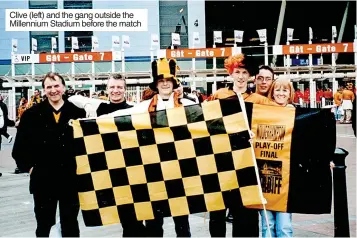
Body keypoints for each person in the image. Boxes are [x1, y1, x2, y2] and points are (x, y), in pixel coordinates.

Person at [104, 58, 196, 237]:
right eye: (161, 81)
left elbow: (211, 120)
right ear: (156, 84)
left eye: (168, 81)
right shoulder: (144, 107)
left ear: (173, 82)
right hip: (153, 173)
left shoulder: (188, 106)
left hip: (179, 172)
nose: (164, 84)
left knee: (182, 224)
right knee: (154, 224)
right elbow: (120, 115)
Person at [68, 73, 148, 237]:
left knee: (134, 219)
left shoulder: (134, 110)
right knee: (124, 217)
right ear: (107, 89)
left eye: (119, 87)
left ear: (125, 90)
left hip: (131, 171)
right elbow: (71, 100)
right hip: (108, 173)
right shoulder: (99, 108)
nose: (115, 90)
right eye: (112, 87)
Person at [207, 54, 277, 238]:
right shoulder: (219, 95)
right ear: (231, 73)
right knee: (217, 211)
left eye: (244, 72)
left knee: (245, 212)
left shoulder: (259, 100)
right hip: (221, 160)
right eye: (237, 72)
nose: (240, 76)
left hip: (246, 161)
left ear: (250, 76)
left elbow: (275, 123)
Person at [12, 72, 86, 237]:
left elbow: (87, 146)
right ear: (44, 90)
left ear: (64, 88)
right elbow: (19, 149)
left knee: (71, 226)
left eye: (56, 86)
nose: (53, 90)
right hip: (43, 181)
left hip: (71, 180)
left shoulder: (78, 114)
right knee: (44, 226)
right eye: (49, 87)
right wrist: (31, 169)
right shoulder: (31, 115)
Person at [260, 78, 295, 237]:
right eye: (278, 90)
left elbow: (308, 141)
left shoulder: (295, 113)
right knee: (268, 226)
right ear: (272, 92)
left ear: (290, 93)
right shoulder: (264, 113)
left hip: (287, 180)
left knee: (284, 226)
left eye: (285, 90)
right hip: (266, 178)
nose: (281, 93)